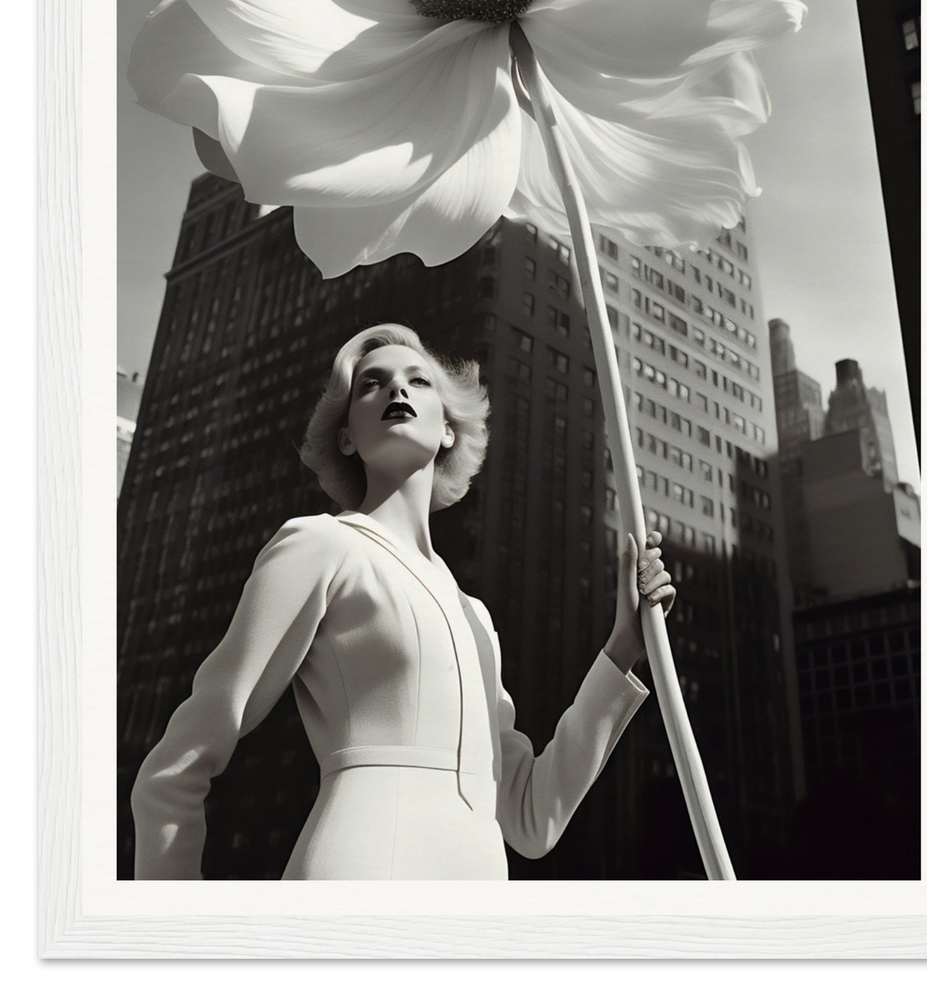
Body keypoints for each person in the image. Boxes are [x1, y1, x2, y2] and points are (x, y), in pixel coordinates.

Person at [131, 322, 676, 880]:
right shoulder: (321, 545)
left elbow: (531, 820)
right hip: (358, 877)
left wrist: (624, 646)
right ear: (346, 437)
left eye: (418, 381)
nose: (397, 391)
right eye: (372, 384)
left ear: (448, 430)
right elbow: (176, 769)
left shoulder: (474, 615)